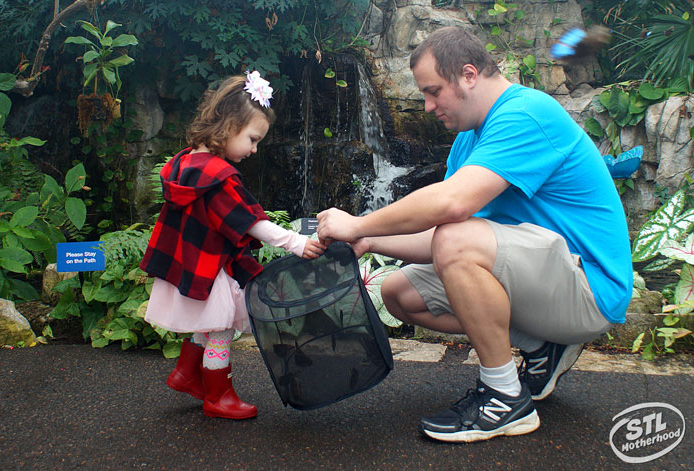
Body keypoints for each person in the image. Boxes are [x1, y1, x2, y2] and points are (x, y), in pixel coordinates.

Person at [316, 26, 632, 443]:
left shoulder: (525, 114)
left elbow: (453, 208)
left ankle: (504, 398)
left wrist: (358, 222)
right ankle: (541, 347)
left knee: (456, 238)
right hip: (545, 281)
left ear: (468, 74)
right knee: (399, 293)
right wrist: (369, 242)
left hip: (589, 289)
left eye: (433, 91)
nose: (427, 107)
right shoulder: (468, 140)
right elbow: (441, 236)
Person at [140, 71, 326, 420]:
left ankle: (186, 374)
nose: (254, 150)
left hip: (194, 262)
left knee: (207, 323)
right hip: (210, 269)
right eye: (253, 139)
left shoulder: (185, 162)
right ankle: (218, 396)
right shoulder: (219, 177)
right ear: (228, 126)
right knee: (221, 328)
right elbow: (250, 222)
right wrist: (296, 243)